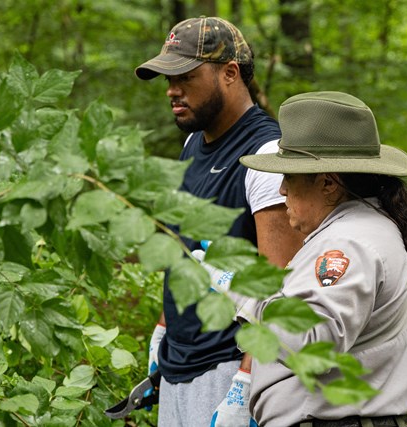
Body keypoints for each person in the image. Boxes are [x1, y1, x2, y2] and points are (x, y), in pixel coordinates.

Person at [135, 16, 304, 427]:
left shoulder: (265, 156)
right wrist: (164, 330)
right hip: (177, 366)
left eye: (186, 77)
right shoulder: (194, 142)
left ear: (230, 73)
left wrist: (244, 384)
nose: (173, 91)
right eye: (167, 79)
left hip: (226, 367)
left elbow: (278, 282)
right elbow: (184, 253)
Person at [238, 91, 407, 426]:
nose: (282, 190)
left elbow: (310, 344)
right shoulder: (361, 231)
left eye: (290, 177)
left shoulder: (348, 243)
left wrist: (241, 292)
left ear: (328, 183)